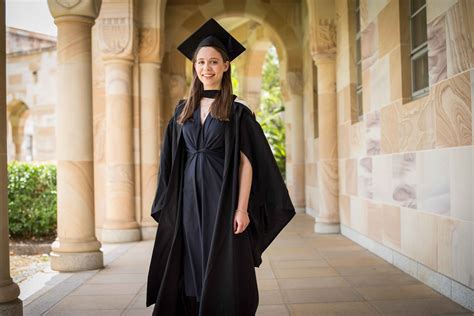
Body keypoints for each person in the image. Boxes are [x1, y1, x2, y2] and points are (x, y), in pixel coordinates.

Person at [146, 18, 295, 316]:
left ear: (226, 65)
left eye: (213, 61)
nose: (206, 68)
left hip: (222, 197)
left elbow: (247, 163)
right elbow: (171, 161)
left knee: (222, 258)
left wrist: (242, 209)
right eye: (201, 62)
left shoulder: (237, 113)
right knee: (191, 258)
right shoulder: (182, 111)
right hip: (189, 199)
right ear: (194, 66)